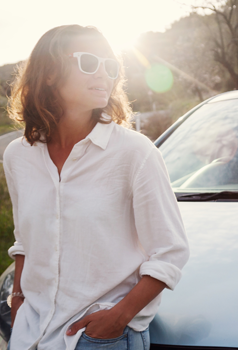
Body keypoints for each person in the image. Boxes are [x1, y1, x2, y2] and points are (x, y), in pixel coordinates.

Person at [3, 24, 190, 350]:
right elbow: (25, 241)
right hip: (29, 332)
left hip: (98, 338)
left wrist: (118, 318)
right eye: (89, 62)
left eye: (111, 66)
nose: (104, 74)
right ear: (48, 73)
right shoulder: (18, 155)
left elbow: (170, 252)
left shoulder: (135, 153)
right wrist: (17, 298)